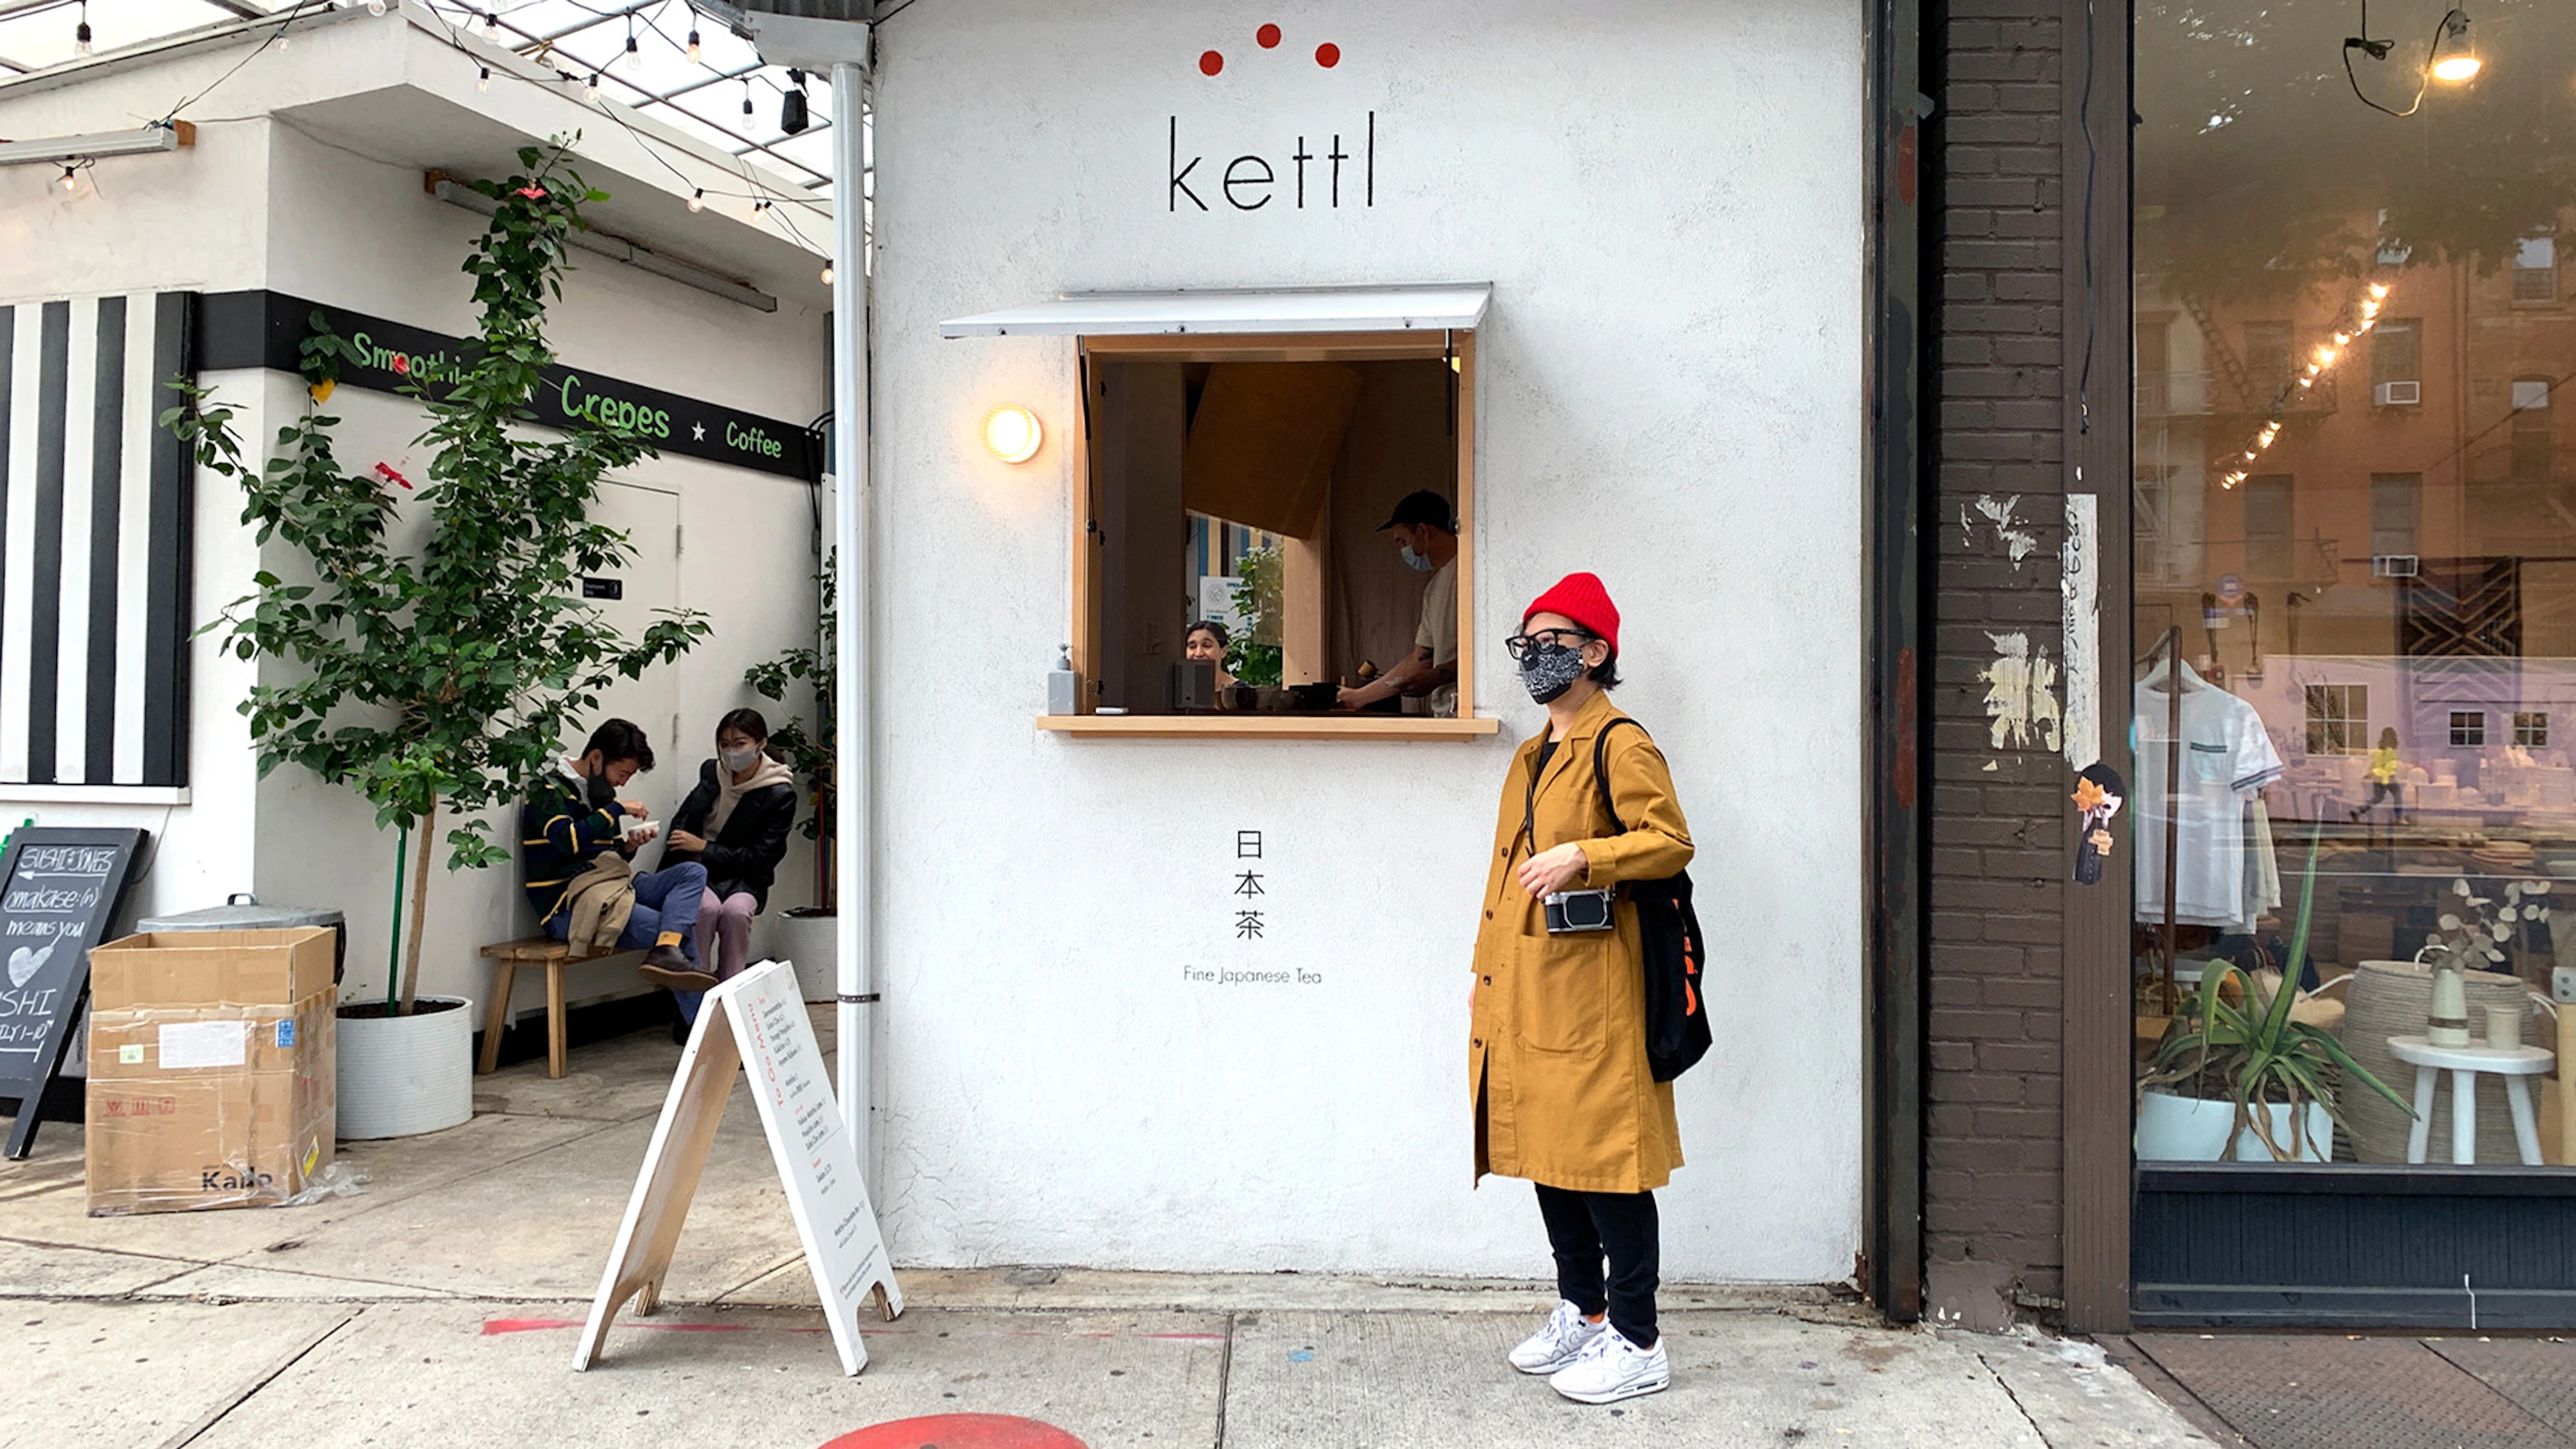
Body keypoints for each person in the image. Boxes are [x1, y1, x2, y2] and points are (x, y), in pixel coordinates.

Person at [1471, 572, 1692, 1406]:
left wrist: (1587, 856)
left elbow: (1669, 841)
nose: (1535, 655)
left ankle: (1638, 1339)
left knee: (1607, 1163)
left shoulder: (1620, 743)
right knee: (1550, 1152)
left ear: (1595, 652)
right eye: (1526, 642)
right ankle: (1585, 1311)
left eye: (1553, 641)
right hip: (1529, 982)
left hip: (1596, 991)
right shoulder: (1533, 755)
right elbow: (1502, 878)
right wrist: (1483, 975)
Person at [519, 718, 710, 988]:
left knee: (692, 872)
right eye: (622, 773)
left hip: (612, 886)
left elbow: (612, 857)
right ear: (596, 757)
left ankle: (668, 950)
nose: (621, 783)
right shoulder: (550, 790)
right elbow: (567, 840)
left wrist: (630, 846)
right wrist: (616, 809)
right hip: (567, 904)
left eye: (628, 777)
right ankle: (699, 1010)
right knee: (677, 934)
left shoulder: (602, 794)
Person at [664, 709, 799, 986]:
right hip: (701, 869)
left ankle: (730, 991)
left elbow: (762, 857)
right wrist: (687, 846)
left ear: (761, 744)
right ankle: (694, 993)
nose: (731, 752)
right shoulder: (712, 773)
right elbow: (686, 817)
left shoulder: (779, 793)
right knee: (704, 909)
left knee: (736, 913)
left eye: (740, 744)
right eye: (724, 744)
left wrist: (704, 846)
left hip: (746, 876)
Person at [1336, 489, 1459, 716]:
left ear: (1423, 531)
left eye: (1403, 541)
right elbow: (1421, 658)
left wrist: (1438, 676)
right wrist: (1358, 698)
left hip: (1472, 714)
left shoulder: (1473, 575)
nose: (1403, 550)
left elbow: (1490, 654)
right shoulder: (1433, 589)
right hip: (1447, 715)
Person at [2358, 726, 2404, 822]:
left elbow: (2375, 765)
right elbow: (2388, 766)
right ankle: (2399, 817)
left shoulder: (2379, 750)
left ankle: (2360, 811)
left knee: (2377, 798)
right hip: (2387, 778)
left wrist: (2371, 774)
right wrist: (2388, 778)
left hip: (2378, 778)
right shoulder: (2390, 751)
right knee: (2398, 795)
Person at [1184, 620, 1237, 689]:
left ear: (1224, 651)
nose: (1198, 653)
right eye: (1192, 647)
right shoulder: (1177, 687)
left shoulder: (1240, 690)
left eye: (1207, 646)